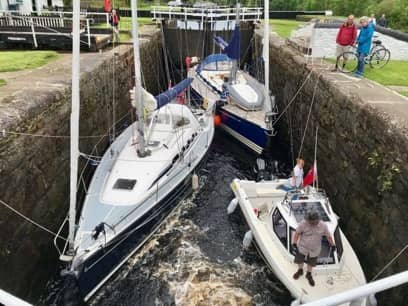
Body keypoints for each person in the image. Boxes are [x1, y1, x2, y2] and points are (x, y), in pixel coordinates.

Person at [292, 210, 336, 286]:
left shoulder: (324, 226)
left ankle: (308, 274)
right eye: (310, 221)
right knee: (299, 260)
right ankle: (300, 270)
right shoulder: (303, 223)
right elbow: (297, 233)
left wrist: (332, 245)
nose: (311, 223)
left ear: (318, 220)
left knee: (311, 262)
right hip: (302, 247)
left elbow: (328, 236)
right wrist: (295, 243)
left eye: (313, 221)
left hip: (315, 249)